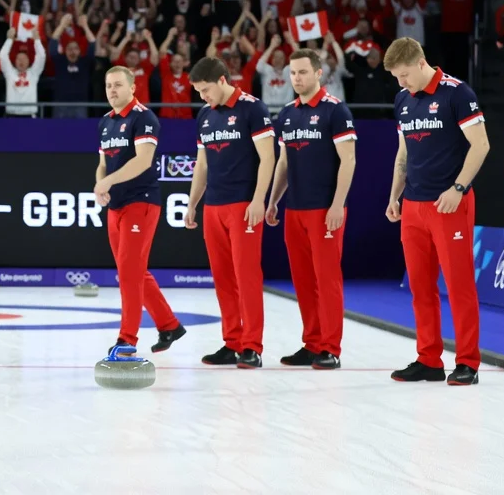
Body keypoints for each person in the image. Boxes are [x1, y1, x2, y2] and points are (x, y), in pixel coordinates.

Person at [383, 37, 488, 385]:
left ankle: (468, 362)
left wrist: (458, 188)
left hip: (449, 204)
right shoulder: (403, 99)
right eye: (397, 78)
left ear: (420, 62)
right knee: (421, 287)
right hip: (413, 205)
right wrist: (395, 196)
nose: (401, 83)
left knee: (459, 287)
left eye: (404, 75)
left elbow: (481, 144)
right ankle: (429, 358)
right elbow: (403, 154)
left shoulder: (457, 93)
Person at [263, 48, 356, 370]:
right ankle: (312, 342)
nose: (297, 78)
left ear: (319, 73)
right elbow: (284, 162)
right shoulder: (287, 113)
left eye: (303, 72)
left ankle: (330, 347)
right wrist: (274, 200)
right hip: (295, 209)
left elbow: (349, 160)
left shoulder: (335, 110)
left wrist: (338, 204)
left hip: (323, 209)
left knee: (327, 280)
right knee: (303, 281)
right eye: (293, 73)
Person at [184, 56, 276, 369]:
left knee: (246, 275)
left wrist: (259, 200)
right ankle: (231, 341)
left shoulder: (253, 108)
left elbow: (268, 158)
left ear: (223, 80)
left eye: (205, 89)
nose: (202, 96)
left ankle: (252, 345)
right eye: (198, 92)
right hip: (214, 206)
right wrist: (192, 202)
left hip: (243, 205)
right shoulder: (204, 115)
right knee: (222, 277)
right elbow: (202, 163)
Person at [93, 66, 185, 354]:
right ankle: (169, 325)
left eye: (118, 85)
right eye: (108, 85)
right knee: (130, 271)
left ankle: (127, 340)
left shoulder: (143, 117)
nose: (112, 90)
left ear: (133, 87)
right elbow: (103, 163)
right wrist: (101, 184)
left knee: (131, 273)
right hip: (116, 205)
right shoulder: (105, 122)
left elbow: (144, 161)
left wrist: (107, 181)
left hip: (141, 201)